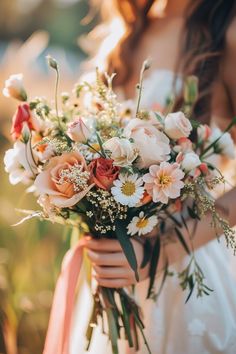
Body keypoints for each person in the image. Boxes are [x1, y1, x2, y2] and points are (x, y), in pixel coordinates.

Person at [70, 1, 236, 353]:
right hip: (112, 275)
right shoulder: (126, 33)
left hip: (189, 273)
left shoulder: (228, 34)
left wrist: (159, 254)